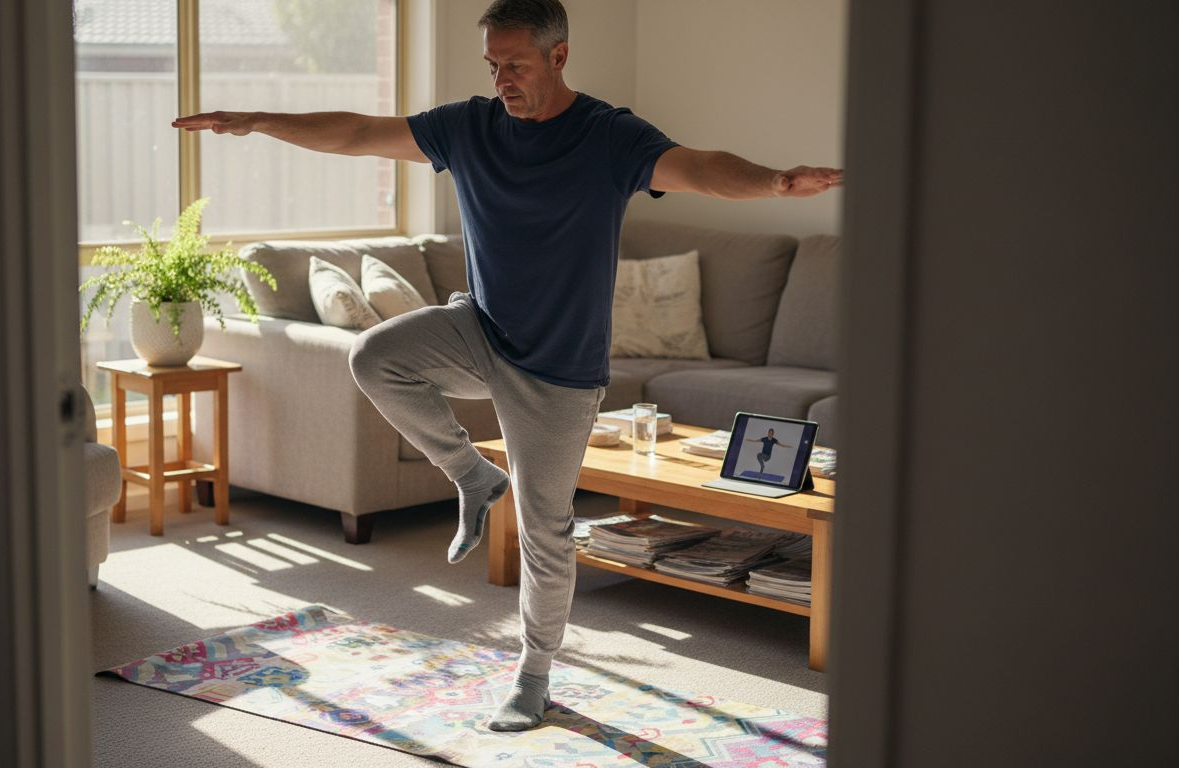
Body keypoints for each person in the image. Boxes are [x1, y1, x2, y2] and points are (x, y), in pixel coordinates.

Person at [173, 0, 842, 732]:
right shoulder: (468, 127)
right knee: (376, 356)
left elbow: (702, 168)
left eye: (515, 65)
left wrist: (775, 182)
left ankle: (533, 673)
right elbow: (361, 132)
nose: (501, 81)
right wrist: (260, 121)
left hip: (559, 373)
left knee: (545, 530)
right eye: (492, 65)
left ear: (559, 56)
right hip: (479, 329)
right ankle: (469, 473)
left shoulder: (609, 137)